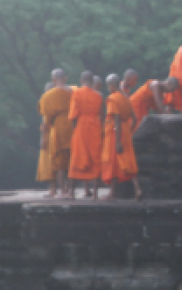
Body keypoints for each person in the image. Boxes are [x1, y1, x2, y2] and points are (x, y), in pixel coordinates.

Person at [100, 74, 141, 200]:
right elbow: (134, 119)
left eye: (108, 85)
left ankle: (112, 194)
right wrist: (128, 131)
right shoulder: (125, 97)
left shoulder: (112, 98)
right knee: (127, 161)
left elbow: (116, 120)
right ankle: (137, 189)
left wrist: (117, 140)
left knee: (113, 163)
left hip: (115, 133)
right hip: (125, 131)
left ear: (112, 85)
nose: (108, 88)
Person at [68, 71, 104, 199]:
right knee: (95, 157)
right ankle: (95, 193)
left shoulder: (76, 93)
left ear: (81, 80)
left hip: (81, 127)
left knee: (76, 157)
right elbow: (102, 115)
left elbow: (73, 115)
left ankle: (71, 192)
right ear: (92, 81)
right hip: (95, 127)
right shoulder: (98, 96)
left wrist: (74, 130)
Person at [39, 69, 74, 198]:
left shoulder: (48, 96)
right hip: (72, 126)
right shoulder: (74, 92)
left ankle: (63, 191)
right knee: (71, 160)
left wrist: (43, 137)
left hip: (58, 128)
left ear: (53, 80)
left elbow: (46, 119)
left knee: (58, 162)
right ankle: (71, 191)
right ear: (66, 78)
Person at [36, 82, 54, 188]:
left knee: (49, 163)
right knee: (59, 161)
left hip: (49, 133)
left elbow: (45, 121)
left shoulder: (45, 101)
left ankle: (53, 189)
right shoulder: (60, 100)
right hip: (57, 132)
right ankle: (64, 189)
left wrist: (42, 138)